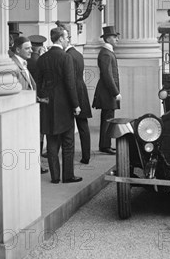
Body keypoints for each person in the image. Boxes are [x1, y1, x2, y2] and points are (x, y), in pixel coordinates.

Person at [35, 26, 82, 184]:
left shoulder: (42, 58)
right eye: (67, 37)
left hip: (48, 106)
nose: (68, 39)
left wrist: (43, 98)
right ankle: (68, 176)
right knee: (68, 142)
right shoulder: (65, 57)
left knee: (52, 142)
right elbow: (70, 84)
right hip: (64, 106)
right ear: (60, 38)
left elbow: (39, 84)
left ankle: (55, 177)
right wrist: (76, 104)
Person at [10, 36, 48, 174]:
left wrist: (39, 98)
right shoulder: (13, 65)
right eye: (27, 48)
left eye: (31, 48)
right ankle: (29, 168)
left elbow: (31, 86)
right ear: (18, 49)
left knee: (32, 139)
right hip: (22, 112)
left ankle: (33, 166)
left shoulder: (23, 63)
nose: (31, 51)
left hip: (32, 108)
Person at [92, 25, 121, 155]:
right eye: (115, 37)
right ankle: (105, 146)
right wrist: (116, 92)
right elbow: (107, 75)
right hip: (107, 92)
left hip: (107, 91)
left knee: (108, 118)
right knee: (107, 119)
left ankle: (106, 144)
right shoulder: (105, 53)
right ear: (108, 39)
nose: (117, 40)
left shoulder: (107, 52)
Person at [66, 37, 92, 165]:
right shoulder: (77, 53)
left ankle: (70, 156)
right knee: (83, 126)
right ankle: (86, 155)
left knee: (69, 126)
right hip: (81, 90)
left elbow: (69, 79)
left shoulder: (68, 55)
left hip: (73, 92)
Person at [28, 34, 48, 158]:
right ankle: (38, 156)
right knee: (40, 130)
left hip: (31, 98)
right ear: (41, 47)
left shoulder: (28, 60)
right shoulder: (39, 61)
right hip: (40, 98)